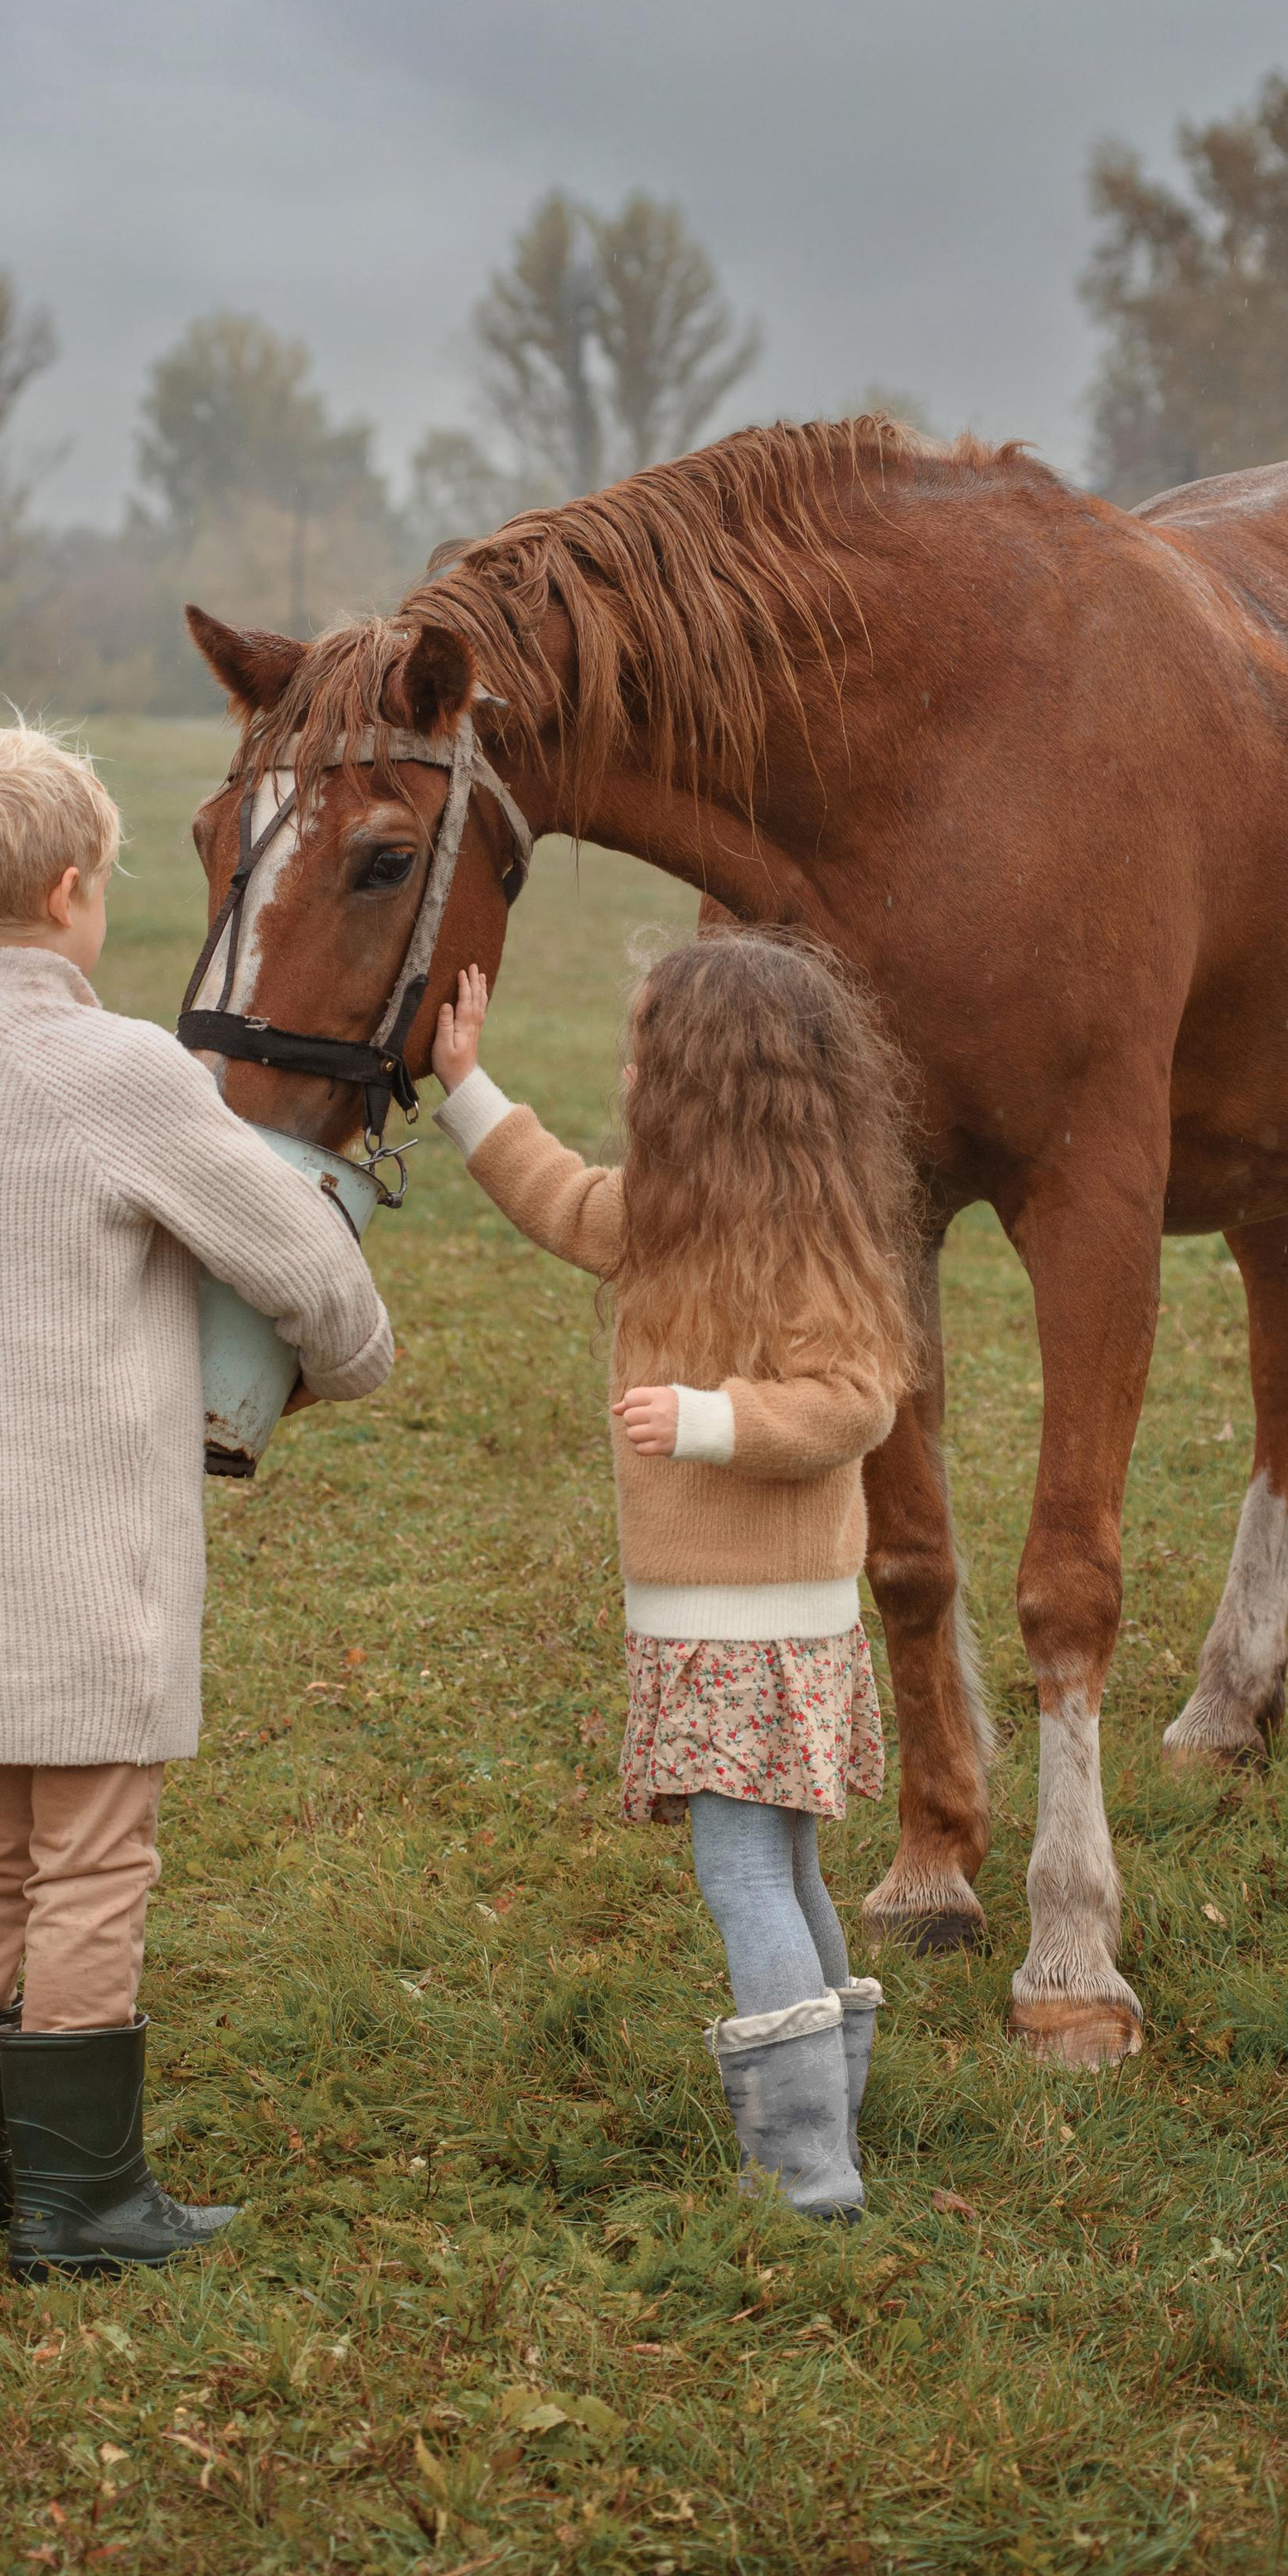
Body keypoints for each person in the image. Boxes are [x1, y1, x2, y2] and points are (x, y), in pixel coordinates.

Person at [0, 724, 393, 2278]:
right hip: (69, 1552)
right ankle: (81, 2202)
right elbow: (291, 1251)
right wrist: (353, 1356)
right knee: (92, 1858)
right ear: (75, 890)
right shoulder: (118, 1067)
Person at [431, 931, 915, 2220]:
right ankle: (832, 2125)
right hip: (729, 1625)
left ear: (705, 1083)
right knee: (790, 1869)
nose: (629, 1071)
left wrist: (709, 1420)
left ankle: (807, 2174)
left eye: (645, 1052)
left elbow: (853, 1401)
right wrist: (466, 1085)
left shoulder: (809, 1247)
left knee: (745, 1875)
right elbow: (557, 1196)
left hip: (751, 1627)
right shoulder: (669, 1221)